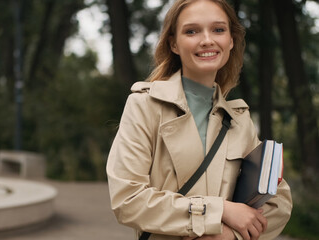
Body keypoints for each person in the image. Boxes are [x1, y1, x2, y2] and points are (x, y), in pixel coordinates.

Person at [106, 0, 293, 239]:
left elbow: (278, 203)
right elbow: (127, 200)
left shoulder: (239, 120)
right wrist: (219, 211)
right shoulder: (145, 105)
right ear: (173, 43)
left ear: (231, 40)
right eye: (192, 31)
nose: (207, 40)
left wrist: (229, 236)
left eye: (218, 29)